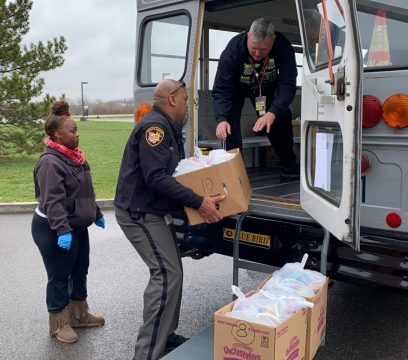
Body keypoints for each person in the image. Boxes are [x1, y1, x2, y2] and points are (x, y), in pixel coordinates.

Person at [114, 79, 225, 359]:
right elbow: (156, 178)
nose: (188, 104)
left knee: (173, 270)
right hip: (139, 213)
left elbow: (172, 172)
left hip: (152, 210)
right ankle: (147, 352)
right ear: (172, 99)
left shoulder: (167, 127)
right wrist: (199, 202)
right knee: (166, 274)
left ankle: (166, 336)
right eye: (186, 99)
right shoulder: (156, 128)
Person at [31, 100, 105, 344]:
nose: (77, 134)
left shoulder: (75, 157)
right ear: (57, 135)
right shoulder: (50, 163)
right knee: (60, 275)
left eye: (76, 129)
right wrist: (62, 230)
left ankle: (79, 315)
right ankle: (59, 323)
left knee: (80, 269)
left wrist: (95, 212)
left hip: (76, 226)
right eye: (73, 130)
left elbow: (84, 191)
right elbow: (53, 202)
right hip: (54, 228)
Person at [213, 17, 299, 180]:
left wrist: (272, 112)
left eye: (263, 50)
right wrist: (221, 118)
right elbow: (222, 89)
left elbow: (287, 82)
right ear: (247, 37)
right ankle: (234, 175)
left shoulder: (282, 45)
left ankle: (288, 167)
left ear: (272, 41)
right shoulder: (233, 50)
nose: (258, 54)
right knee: (228, 126)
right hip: (236, 88)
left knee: (280, 119)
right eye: (253, 50)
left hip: (266, 88)